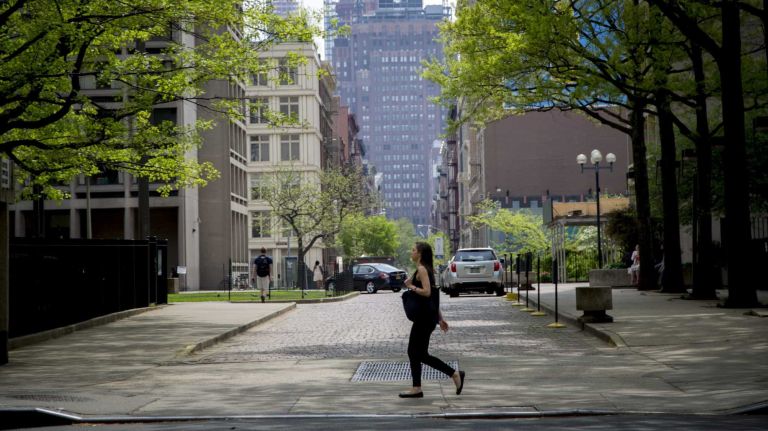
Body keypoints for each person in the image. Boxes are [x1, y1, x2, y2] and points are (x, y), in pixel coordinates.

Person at [399, 241, 465, 398]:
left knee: (417, 353)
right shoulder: (425, 269)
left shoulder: (422, 269)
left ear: (420, 253)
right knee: (417, 353)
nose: (411, 251)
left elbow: (427, 293)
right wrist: (440, 318)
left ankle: (453, 374)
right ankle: (417, 387)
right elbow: (433, 298)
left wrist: (411, 286)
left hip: (424, 319)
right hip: (427, 318)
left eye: (413, 249)